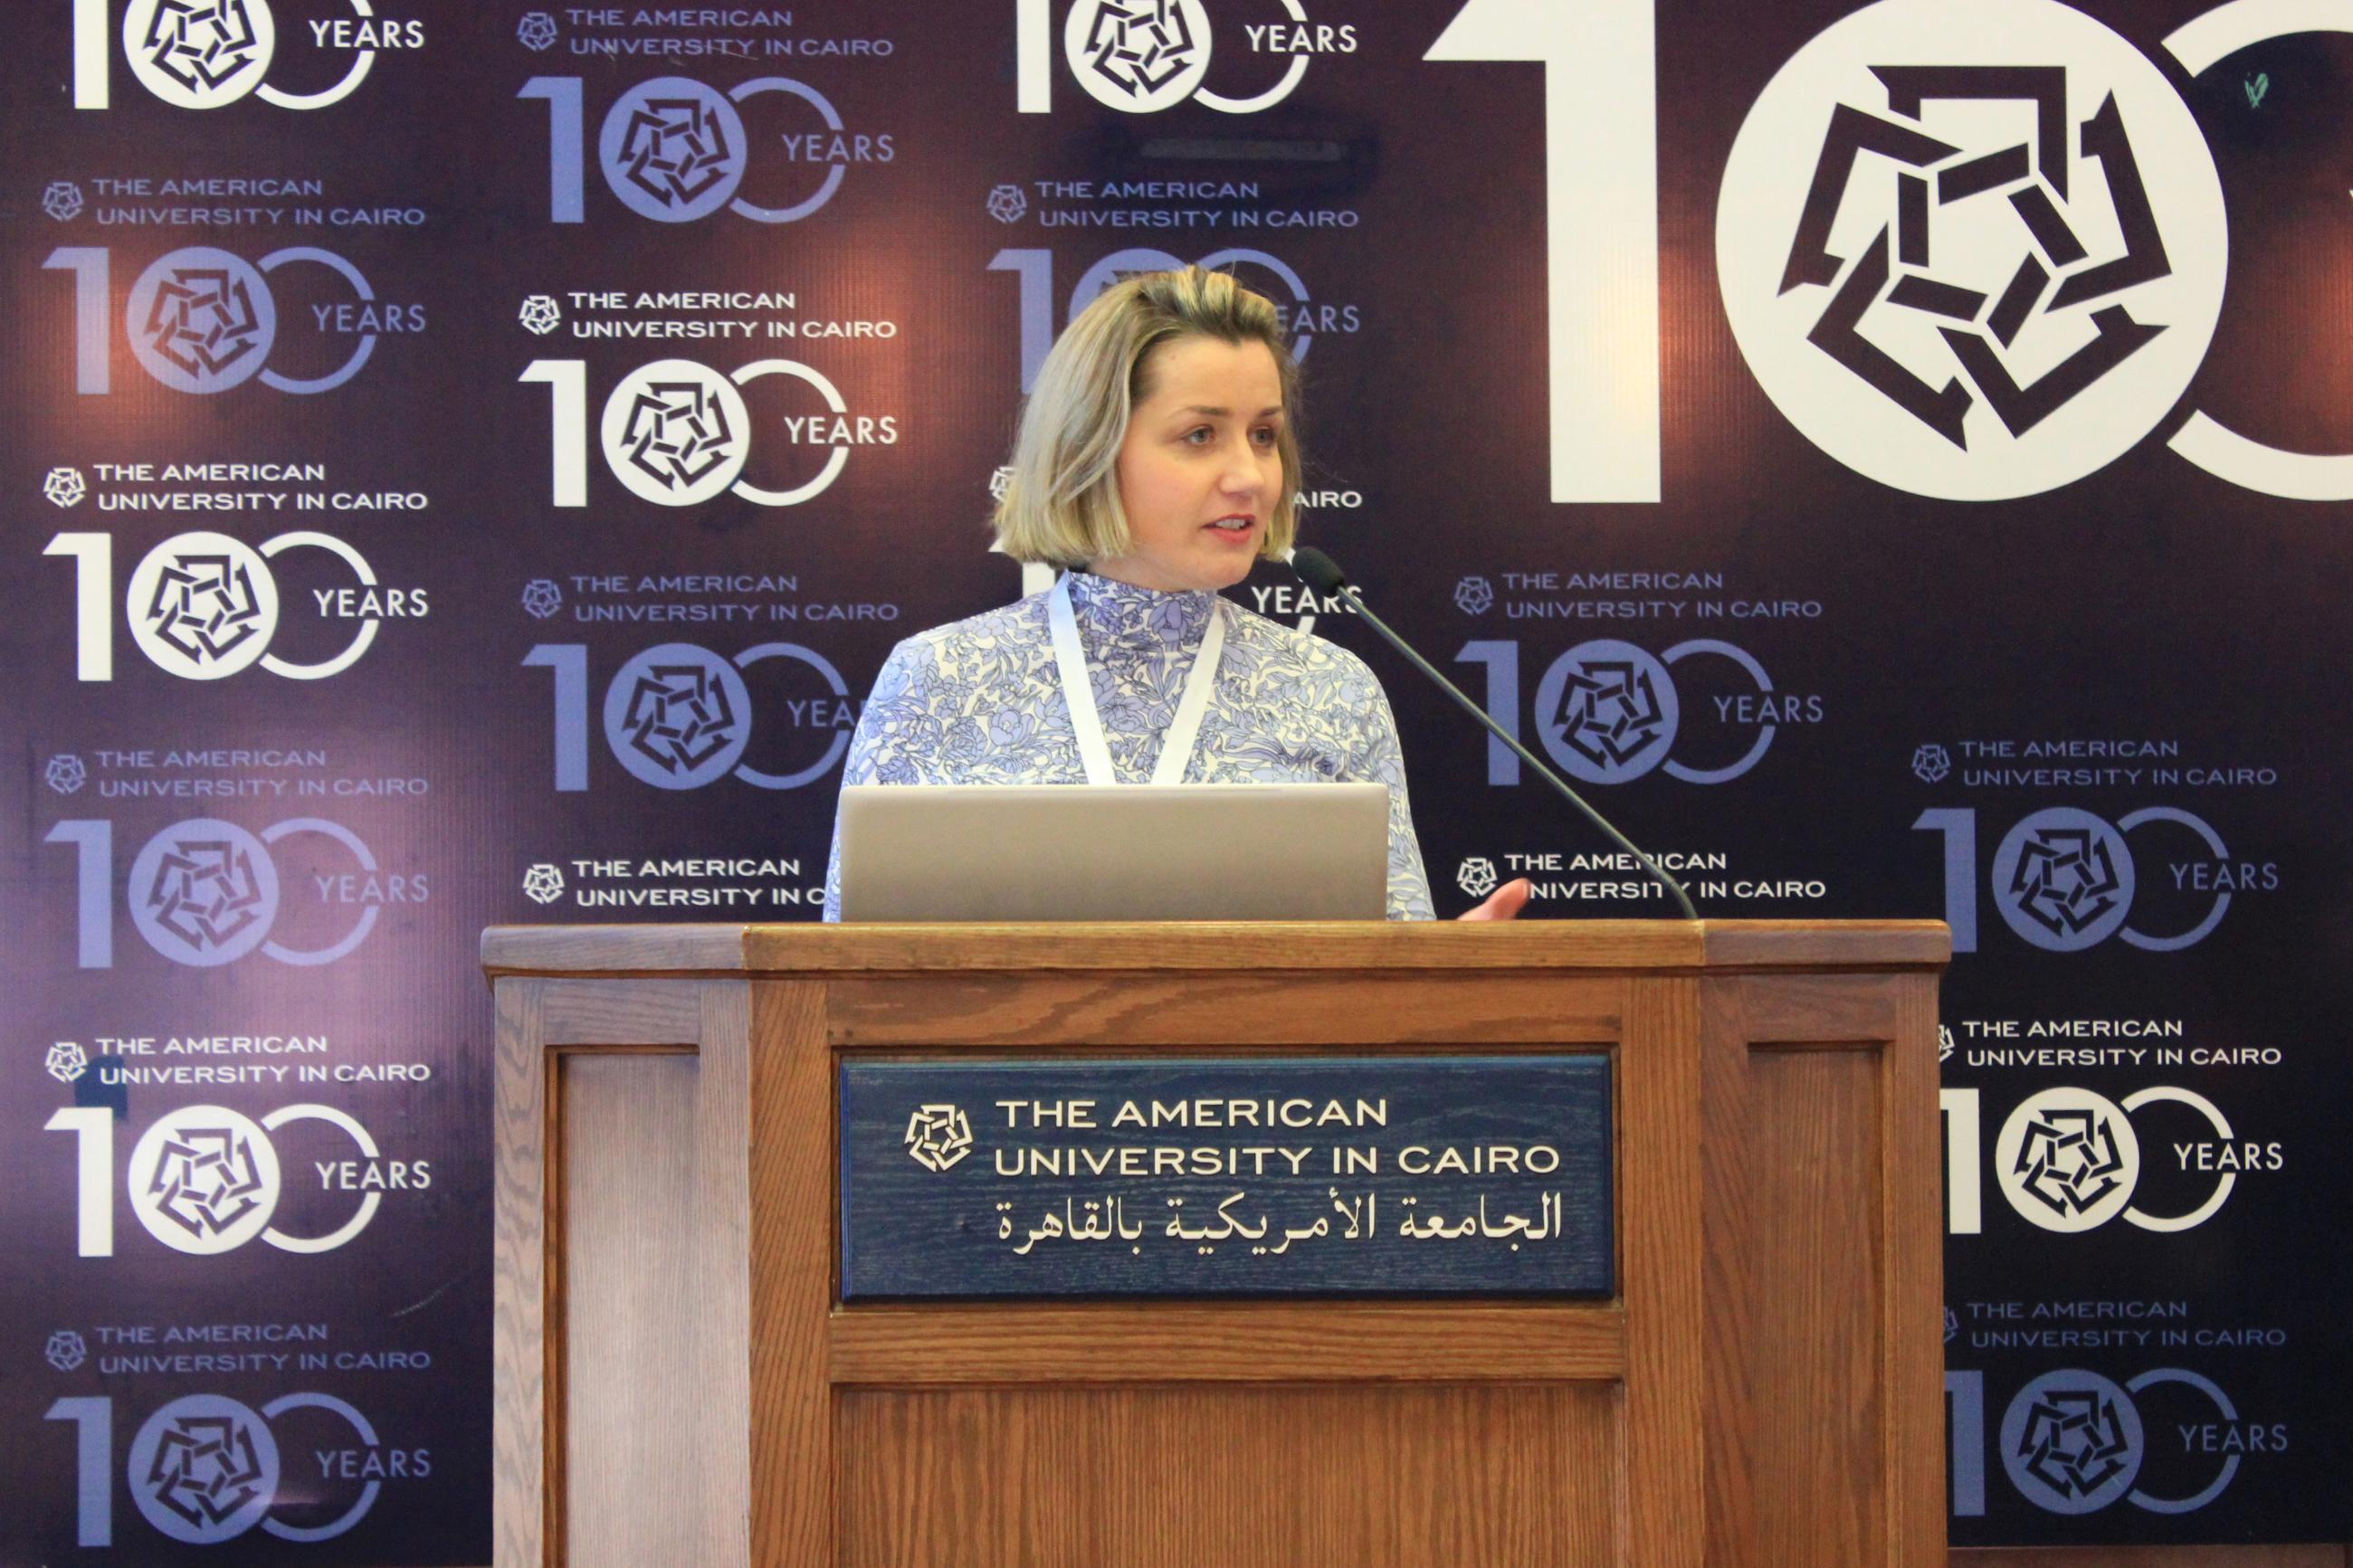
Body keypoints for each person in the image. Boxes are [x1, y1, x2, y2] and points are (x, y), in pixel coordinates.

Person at [821, 266, 1529, 922]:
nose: (1250, 476)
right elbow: (837, 983)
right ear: (1090, 450)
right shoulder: (939, 679)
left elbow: (1389, 981)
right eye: (1200, 434)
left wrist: (1442, 977)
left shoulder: (1333, 691)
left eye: (1263, 435)